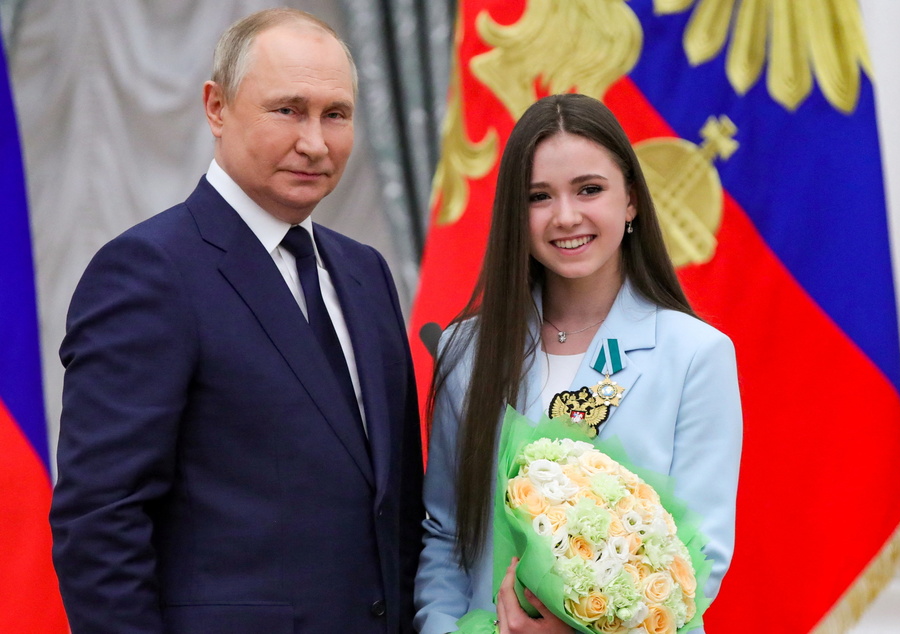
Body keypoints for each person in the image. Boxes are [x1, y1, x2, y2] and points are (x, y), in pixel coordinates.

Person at [49, 9, 423, 634]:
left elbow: (395, 502)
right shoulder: (148, 270)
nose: (315, 142)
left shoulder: (365, 273)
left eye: (336, 114)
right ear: (216, 108)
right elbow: (100, 520)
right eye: (288, 110)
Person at [414, 93, 742, 633]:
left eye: (589, 189)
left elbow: (700, 555)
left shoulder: (696, 354)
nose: (566, 217)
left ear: (631, 199)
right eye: (539, 196)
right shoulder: (464, 351)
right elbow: (449, 533)